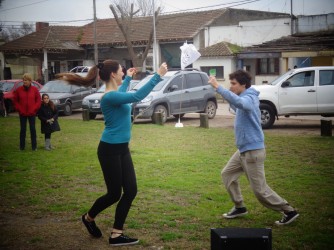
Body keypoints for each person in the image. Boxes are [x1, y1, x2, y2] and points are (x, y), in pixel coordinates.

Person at [56, 60, 168, 246]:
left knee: (130, 190)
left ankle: (116, 234)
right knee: (114, 194)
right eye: (121, 71)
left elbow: (122, 94)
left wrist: (128, 79)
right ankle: (89, 217)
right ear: (113, 75)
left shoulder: (114, 94)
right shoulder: (108, 97)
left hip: (122, 148)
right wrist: (158, 75)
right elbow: (137, 95)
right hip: (109, 150)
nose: (123, 72)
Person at [208, 70, 299, 226]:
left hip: (253, 152)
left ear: (243, 84)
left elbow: (242, 104)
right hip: (243, 150)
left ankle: (289, 210)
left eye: (234, 84)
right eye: (230, 83)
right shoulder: (243, 96)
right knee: (227, 175)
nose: (231, 86)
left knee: (260, 191)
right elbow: (236, 105)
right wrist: (225, 92)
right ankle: (240, 207)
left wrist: (219, 87)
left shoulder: (250, 98)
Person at [13, 73, 41, 151]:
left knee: (33, 129)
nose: (24, 82)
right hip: (22, 114)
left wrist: (34, 109)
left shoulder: (35, 90)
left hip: (32, 113)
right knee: (23, 130)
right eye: (24, 80)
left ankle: (34, 147)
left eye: (26, 80)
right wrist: (19, 109)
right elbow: (15, 101)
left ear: (30, 81)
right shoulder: (18, 90)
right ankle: (22, 147)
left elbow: (38, 101)